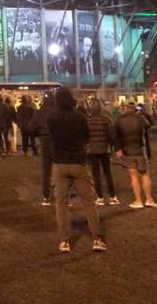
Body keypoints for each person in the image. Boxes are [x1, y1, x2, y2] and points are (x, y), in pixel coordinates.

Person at [46, 87, 106, 253]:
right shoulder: (80, 117)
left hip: (60, 163)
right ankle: (97, 238)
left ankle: (64, 241)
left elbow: (52, 137)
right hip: (78, 162)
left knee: (61, 204)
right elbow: (87, 136)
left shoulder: (52, 118)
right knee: (88, 202)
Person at [115, 102, 157, 208]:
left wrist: (118, 149)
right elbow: (149, 126)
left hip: (127, 150)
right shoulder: (141, 119)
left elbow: (116, 136)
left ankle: (138, 200)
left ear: (124, 109)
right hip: (140, 149)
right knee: (145, 174)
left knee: (133, 176)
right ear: (134, 109)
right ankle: (149, 199)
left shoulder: (119, 120)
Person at [86, 98, 119, 206]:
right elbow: (111, 135)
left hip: (93, 150)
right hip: (105, 149)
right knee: (107, 173)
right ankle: (112, 196)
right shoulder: (107, 120)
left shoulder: (88, 121)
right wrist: (113, 146)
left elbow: (86, 136)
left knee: (96, 174)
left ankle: (99, 197)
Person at [29, 91, 56, 206]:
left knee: (46, 170)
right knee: (62, 169)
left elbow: (31, 128)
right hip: (57, 142)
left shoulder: (39, 112)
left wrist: (39, 133)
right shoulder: (57, 111)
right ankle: (65, 196)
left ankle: (46, 196)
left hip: (44, 143)